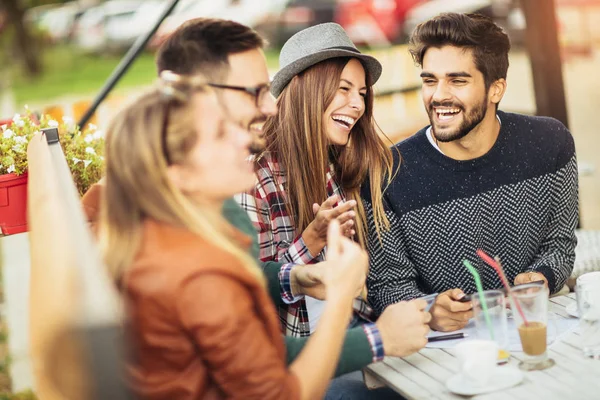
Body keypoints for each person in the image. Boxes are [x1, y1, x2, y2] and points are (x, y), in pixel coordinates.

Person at [82, 17, 430, 394]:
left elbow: (252, 310)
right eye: (255, 91)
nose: (269, 107)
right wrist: (371, 330)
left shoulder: (200, 213)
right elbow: (276, 382)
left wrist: (297, 276)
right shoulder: (191, 261)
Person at [98, 74, 376, 398]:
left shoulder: (171, 243)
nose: (245, 139)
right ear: (177, 173)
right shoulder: (199, 276)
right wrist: (343, 296)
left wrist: (300, 275)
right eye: (220, 133)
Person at [364, 12, 579, 332]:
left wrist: (541, 276)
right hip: (444, 355)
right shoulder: (387, 174)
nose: (438, 96)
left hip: (535, 330)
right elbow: (386, 285)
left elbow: (559, 244)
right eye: (430, 80)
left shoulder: (550, 145)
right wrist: (428, 309)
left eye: (457, 80)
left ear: (496, 89)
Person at [237, 22, 399, 339]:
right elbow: (250, 290)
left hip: (358, 328)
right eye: (344, 88)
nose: (358, 104)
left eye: (362, 93)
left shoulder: (344, 163)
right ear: (305, 88)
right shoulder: (252, 176)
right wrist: (311, 240)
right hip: (304, 357)